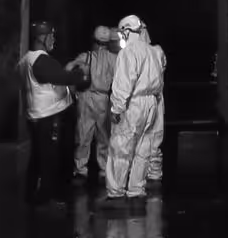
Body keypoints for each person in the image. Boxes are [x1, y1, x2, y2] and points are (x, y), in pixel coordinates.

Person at [18, 21, 88, 204]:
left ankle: (32, 196)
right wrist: (81, 74)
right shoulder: (41, 60)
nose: (53, 39)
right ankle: (46, 199)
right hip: (47, 118)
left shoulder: (25, 60)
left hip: (37, 117)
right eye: (51, 36)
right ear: (41, 38)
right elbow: (62, 77)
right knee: (49, 161)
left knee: (37, 158)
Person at [104, 14, 164, 205]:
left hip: (134, 103)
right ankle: (136, 189)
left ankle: (116, 192)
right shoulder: (154, 51)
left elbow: (124, 83)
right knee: (143, 147)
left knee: (121, 146)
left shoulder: (128, 52)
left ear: (127, 31)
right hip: (151, 103)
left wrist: (117, 108)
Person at [69, 24, 119, 183]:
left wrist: (73, 90)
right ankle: (104, 170)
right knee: (104, 136)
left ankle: (80, 169)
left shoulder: (86, 56)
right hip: (103, 99)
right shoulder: (114, 59)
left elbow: (69, 68)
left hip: (86, 97)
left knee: (83, 135)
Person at [142, 25, 169, 189]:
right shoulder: (133, 53)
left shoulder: (156, 51)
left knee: (154, 135)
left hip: (153, 97)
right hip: (144, 98)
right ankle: (147, 173)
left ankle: (154, 173)